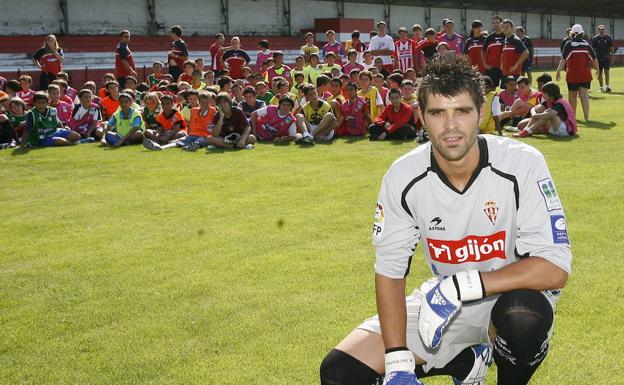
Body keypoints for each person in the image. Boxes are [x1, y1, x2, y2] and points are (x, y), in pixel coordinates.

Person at [320, 55, 572, 385]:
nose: (451, 126)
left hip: (506, 300)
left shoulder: (522, 163)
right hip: (444, 307)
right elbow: (390, 270)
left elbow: (554, 267)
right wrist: (397, 362)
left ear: (480, 113)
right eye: (438, 113)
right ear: (421, 116)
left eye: (462, 111)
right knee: (340, 373)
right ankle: (464, 362)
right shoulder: (403, 176)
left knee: (523, 316)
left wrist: (461, 286)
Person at [556, 24, 598, 121]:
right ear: (582, 33)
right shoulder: (586, 44)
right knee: (584, 96)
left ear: (571, 33)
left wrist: (558, 70)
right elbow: (594, 58)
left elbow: (563, 59)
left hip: (572, 75)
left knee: (572, 96)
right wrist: (598, 70)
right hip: (585, 75)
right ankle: (586, 118)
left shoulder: (569, 44)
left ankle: (572, 117)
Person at [482, 15, 505, 87]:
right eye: (494, 23)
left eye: (497, 22)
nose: (495, 24)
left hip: (505, 68)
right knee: (491, 88)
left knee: (506, 89)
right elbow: (483, 51)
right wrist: (485, 64)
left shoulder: (507, 35)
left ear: (501, 23)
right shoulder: (490, 37)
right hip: (492, 68)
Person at [592, 25, 615, 92]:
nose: (602, 30)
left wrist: (613, 55)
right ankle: (601, 87)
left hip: (606, 58)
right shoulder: (595, 39)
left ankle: (607, 87)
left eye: (603, 29)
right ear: (598, 30)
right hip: (598, 58)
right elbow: (593, 49)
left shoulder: (608, 38)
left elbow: (611, 47)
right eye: (600, 29)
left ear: (604, 30)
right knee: (600, 72)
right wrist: (593, 58)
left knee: (607, 72)